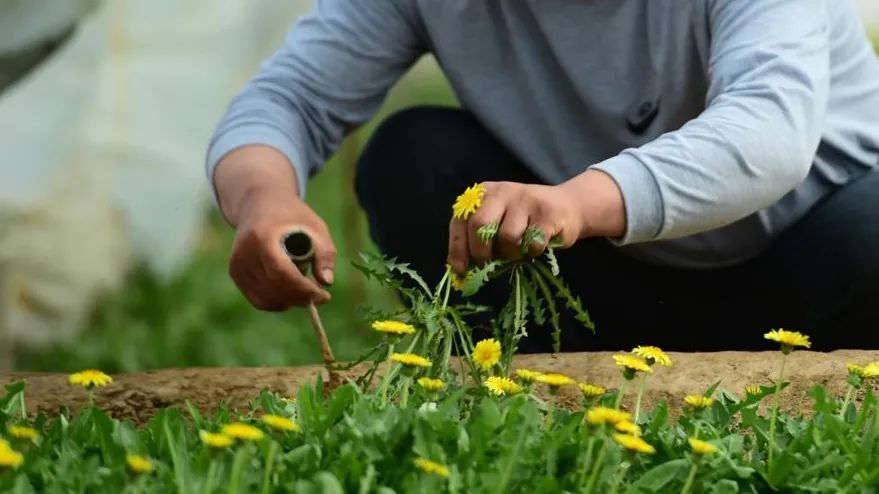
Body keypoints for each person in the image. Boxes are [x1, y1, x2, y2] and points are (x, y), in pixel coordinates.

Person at [207, 0, 879, 352]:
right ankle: (527, 379)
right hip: (597, 283)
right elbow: (290, 98)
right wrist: (265, 203)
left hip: (814, 264)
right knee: (414, 155)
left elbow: (768, 132)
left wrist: (579, 201)